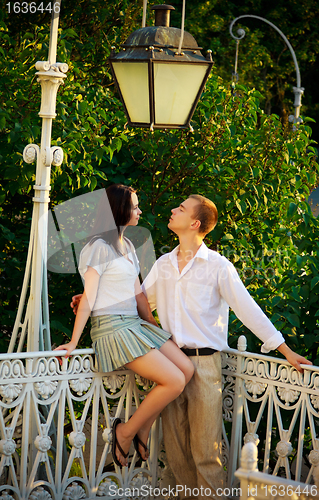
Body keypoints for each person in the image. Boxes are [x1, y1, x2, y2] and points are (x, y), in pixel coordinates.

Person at [71, 193, 312, 498]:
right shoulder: (164, 264)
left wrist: (284, 349)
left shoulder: (218, 266)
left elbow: (248, 309)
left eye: (181, 208)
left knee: (206, 456)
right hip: (170, 362)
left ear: (195, 223)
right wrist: (93, 300)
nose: (173, 209)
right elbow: (138, 298)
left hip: (205, 367)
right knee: (176, 457)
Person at [54, 184, 194, 469]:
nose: (140, 211)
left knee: (187, 370)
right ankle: (125, 432)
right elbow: (90, 298)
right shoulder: (97, 247)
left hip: (134, 325)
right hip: (113, 329)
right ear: (119, 210)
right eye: (135, 206)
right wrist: (73, 341)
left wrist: (160, 335)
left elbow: (138, 296)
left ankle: (142, 428)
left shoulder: (127, 245)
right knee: (175, 380)